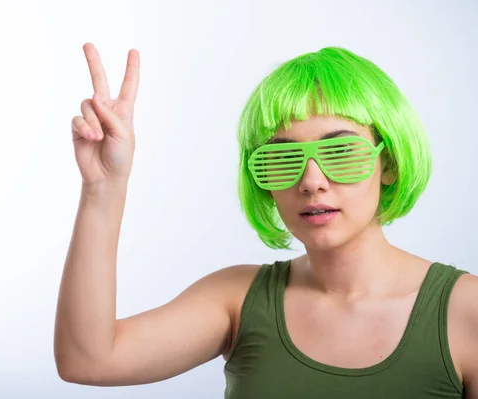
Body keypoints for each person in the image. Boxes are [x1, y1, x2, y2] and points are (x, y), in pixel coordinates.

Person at [54, 43, 478, 398]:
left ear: (389, 163)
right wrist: (103, 188)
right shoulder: (237, 298)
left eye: (341, 152)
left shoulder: (466, 309)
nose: (312, 182)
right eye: (282, 158)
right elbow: (87, 359)